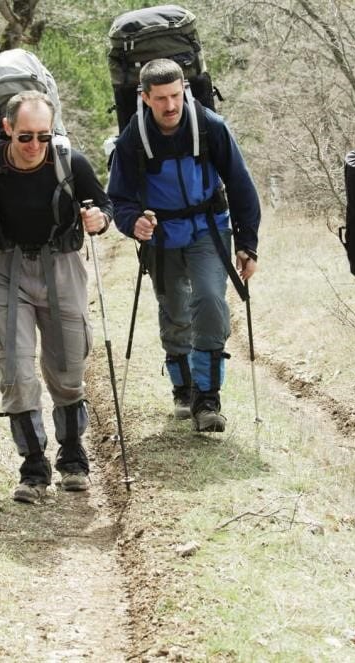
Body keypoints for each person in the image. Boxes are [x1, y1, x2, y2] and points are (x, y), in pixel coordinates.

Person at [0, 90, 112, 504]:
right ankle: (33, 468)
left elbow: (104, 207)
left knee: (68, 368)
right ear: (7, 129)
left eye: (43, 136)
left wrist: (99, 219)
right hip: (8, 272)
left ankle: (74, 458)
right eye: (26, 137)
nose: (35, 147)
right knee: (16, 372)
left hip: (61, 266)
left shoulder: (70, 162)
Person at [107, 58, 261, 433]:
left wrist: (247, 244)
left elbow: (241, 185)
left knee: (209, 300)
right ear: (145, 98)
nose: (171, 105)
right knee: (174, 308)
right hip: (160, 236)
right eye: (161, 98)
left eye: (176, 95)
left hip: (209, 229)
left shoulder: (209, 126)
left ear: (185, 91)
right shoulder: (133, 137)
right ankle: (183, 387)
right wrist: (134, 224)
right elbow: (118, 198)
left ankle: (207, 400)